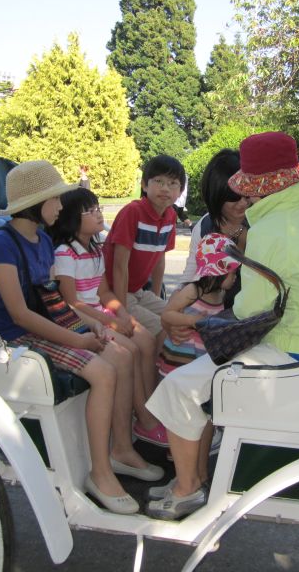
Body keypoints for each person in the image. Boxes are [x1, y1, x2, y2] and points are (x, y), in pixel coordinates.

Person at [145, 131, 299, 520]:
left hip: (289, 346)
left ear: (261, 187)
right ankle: (197, 476)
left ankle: (187, 487)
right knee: (194, 377)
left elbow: (250, 312)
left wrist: (200, 315)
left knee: (177, 386)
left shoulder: (270, 230)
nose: (248, 198)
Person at [0, 161, 162, 516]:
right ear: (35, 203)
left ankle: (121, 448)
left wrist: (91, 326)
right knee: (104, 371)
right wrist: (78, 340)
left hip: (44, 324)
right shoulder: (2, 245)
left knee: (122, 355)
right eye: (54, 199)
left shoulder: (41, 239)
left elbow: (53, 300)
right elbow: (19, 314)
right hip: (12, 337)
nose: (61, 207)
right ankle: (100, 472)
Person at [49, 187, 168, 446]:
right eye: (90, 211)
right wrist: (111, 322)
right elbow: (73, 302)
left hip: (102, 312)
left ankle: (148, 407)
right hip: (83, 318)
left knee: (147, 340)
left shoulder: (94, 249)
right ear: (71, 219)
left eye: (98, 208)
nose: (98, 214)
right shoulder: (65, 254)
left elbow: (104, 291)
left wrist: (123, 314)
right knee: (132, 351)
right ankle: (145, 419)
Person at [105, 154, 185, 336]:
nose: (165, 188)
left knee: (178, 318)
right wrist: (121, 310)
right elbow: (119, 265)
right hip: (116, 294)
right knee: (163, 329)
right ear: (144, 184)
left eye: (173, 183)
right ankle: (156, 365)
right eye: (159, 181)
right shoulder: (132, 212)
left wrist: (155, 297)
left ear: (180, 191)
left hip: (140, 292)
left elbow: (159, 261)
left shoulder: (170, 215)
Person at [158, 233, 240, 377]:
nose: (235, 278)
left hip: (199, 358)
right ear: (218, 272)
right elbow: (167, 313)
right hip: (180, 359)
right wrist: (192, 320)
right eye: (233, 273)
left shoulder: (220, 294)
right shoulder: (193, 290)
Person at [179, 149, 250, 300]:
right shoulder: (205, 226)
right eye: (234, 197)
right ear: (217, 194)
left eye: (247, 194)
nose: (244, 203)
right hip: (215, 314)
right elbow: (191, 274)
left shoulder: (260, 224)